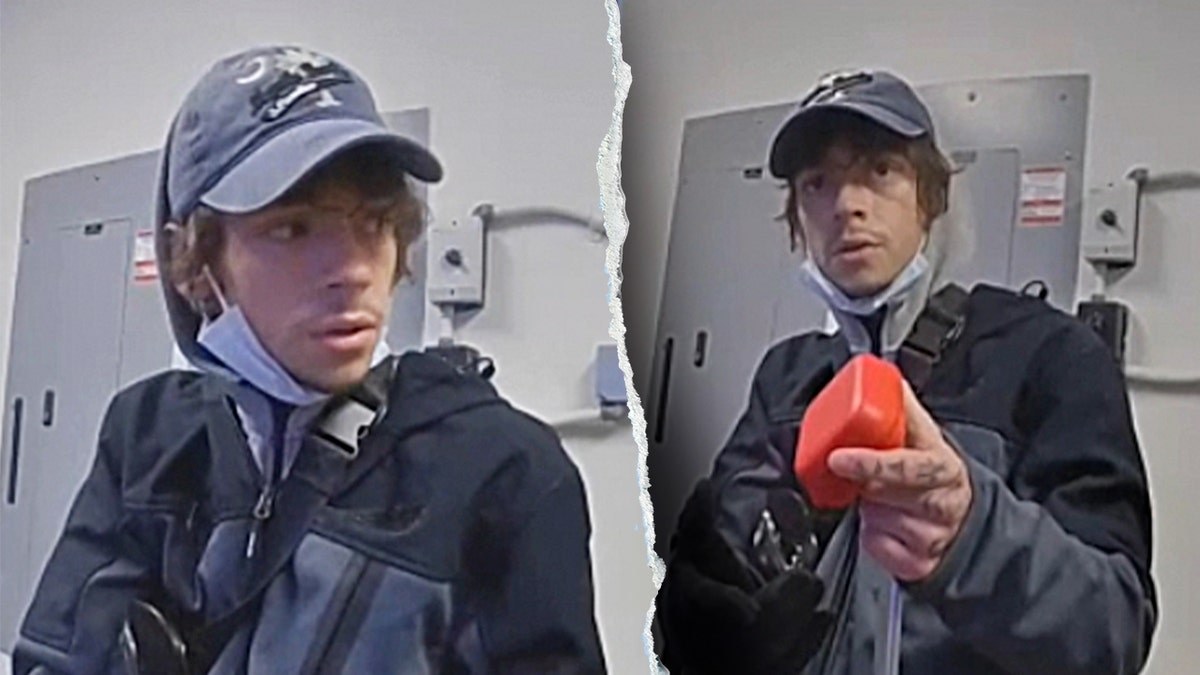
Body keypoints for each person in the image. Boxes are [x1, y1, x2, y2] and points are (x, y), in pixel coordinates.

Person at [13, 45, 605, 674]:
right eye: (292, 229)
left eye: (374, 223)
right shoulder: (149, 434)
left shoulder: (501, 470)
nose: (352, 271)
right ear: (195, 263)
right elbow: (57, 656)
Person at [654, 69, 1157, 674]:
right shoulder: (786, 378)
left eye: (879, 170)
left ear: (931, 197)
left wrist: (974, 539)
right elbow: (728, 570)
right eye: (818, 184)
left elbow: (1114, 634)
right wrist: (694, 624)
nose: (847, 205)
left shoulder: (1050, 354)